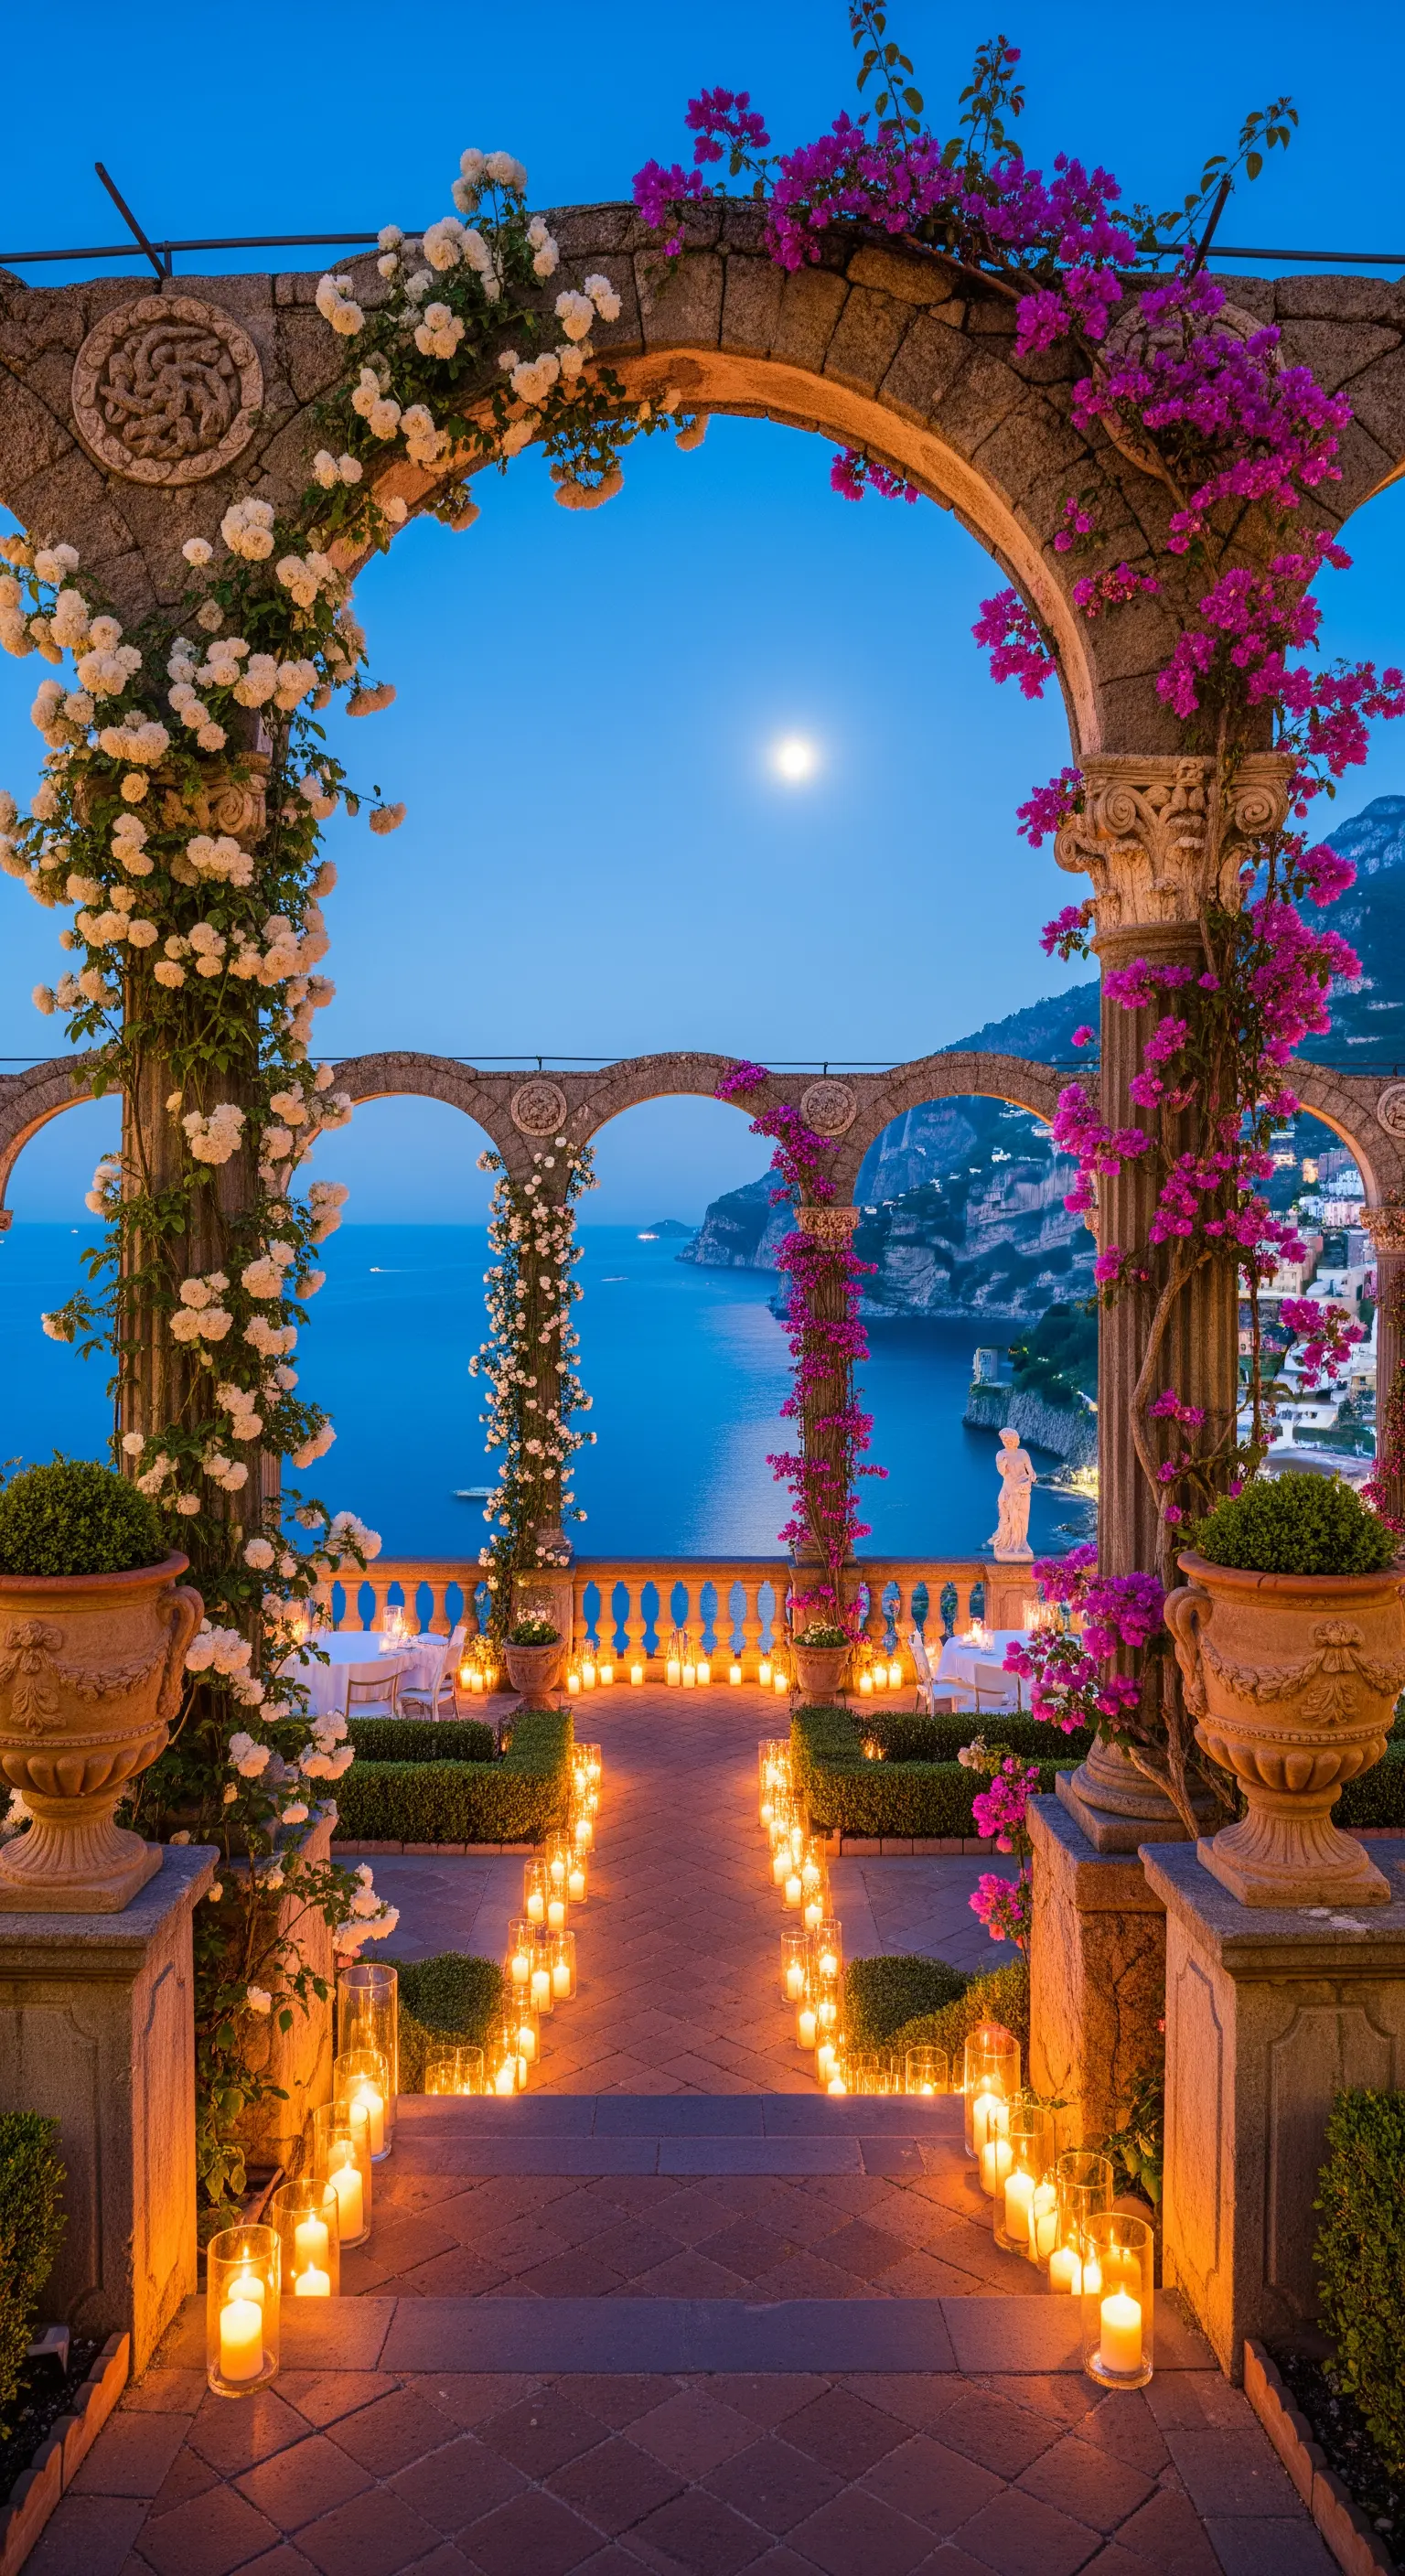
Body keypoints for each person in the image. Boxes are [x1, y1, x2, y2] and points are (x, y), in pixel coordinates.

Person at [990, 1425, 1035, 1558]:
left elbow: (1031, 1470)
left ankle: (1020, 1543)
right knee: (1007, 1515)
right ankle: (1008, 1543)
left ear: (1015, 1440)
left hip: (1022, 1490)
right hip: (1009, 1488)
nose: (1007, 1442)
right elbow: (1002, 1472)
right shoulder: (1001, 1454)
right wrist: (1002, 1465)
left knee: (1021, 1518)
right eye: (1005, 1440)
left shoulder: (1023, 1453)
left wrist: (1030, 1479)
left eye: (1010, 1440)